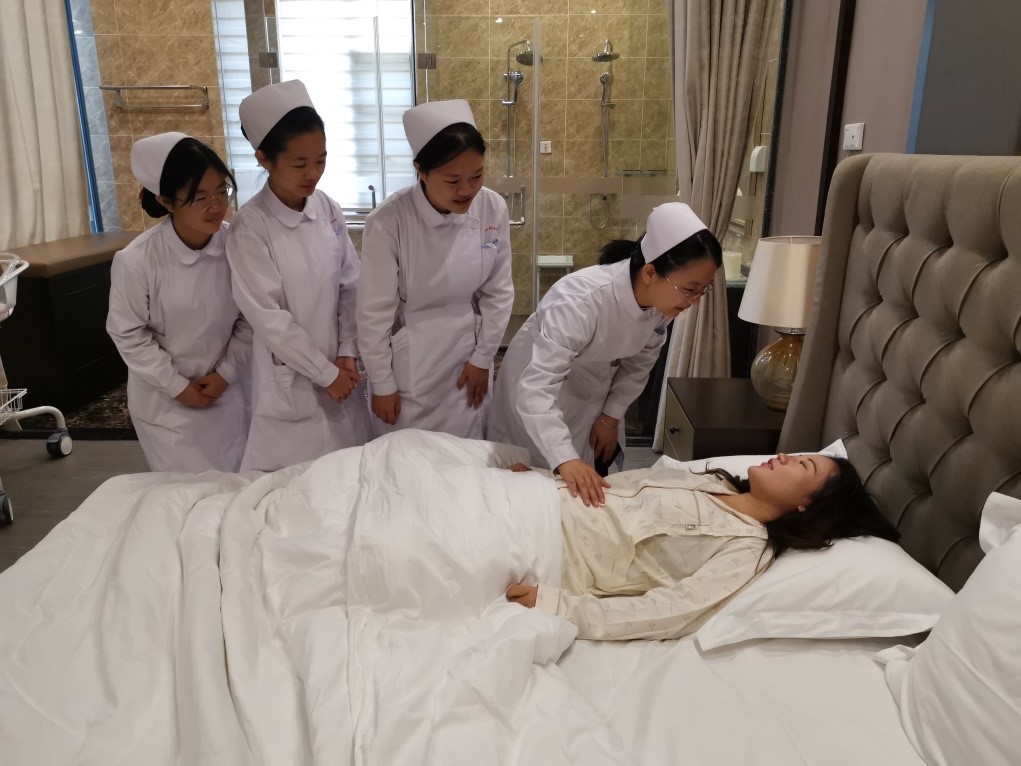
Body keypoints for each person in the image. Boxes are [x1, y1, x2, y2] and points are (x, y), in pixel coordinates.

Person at [505, 452, 901, 641]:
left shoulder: (747, 549)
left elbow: (667, 613)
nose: (784, 455)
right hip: (533, 497)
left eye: (802, 465)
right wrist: (543, 477)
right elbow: (617, 487)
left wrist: (557, 605)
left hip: (545, 544)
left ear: (807, 504)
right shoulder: (714, 482)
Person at [488, 202, 721, 506]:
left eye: (702, 290)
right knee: (529, 483)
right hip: (535, 387)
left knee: (578, 488)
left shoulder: (661, 305)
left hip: (591, 384)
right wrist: (565, 458)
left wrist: (610, 418)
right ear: (650, 272)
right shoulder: (579, 301)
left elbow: (640, 364)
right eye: (690, 289)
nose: (694, 301)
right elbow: (535, 389)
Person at [226, 80, 372, 471]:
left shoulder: (327, 208)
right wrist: (325, 373)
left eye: (321, 160)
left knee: (346, 476)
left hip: (339, 372)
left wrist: (347, 351)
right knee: (290, 485)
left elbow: (351, 286)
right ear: (264, 159)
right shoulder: (250, 227)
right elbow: (269, 319)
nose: (313, 173)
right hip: (290, 379)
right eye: (299, 163)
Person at [357, 99, 514, 438]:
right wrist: (382, 382)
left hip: (468, 355)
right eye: (453, 180)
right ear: (421, 171)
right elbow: (373, 314)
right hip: (412, 363)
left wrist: (483, 358)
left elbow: (499, 293)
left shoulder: (491, 207)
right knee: (408, 455)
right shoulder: (389, 221)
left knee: (466, 453)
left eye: (476, 176)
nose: (467, 190)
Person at [107, 133, 250, 473]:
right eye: (200, 198)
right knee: (186, 491)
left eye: (222, 191)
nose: (216, 206)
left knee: (237, 485)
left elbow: (251, 318)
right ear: (167, 201)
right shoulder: (137, 261)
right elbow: (128, 334)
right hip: (166, 404)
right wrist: (177, 386)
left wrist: (226, 374)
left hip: (227, 391)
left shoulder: (239, 246)